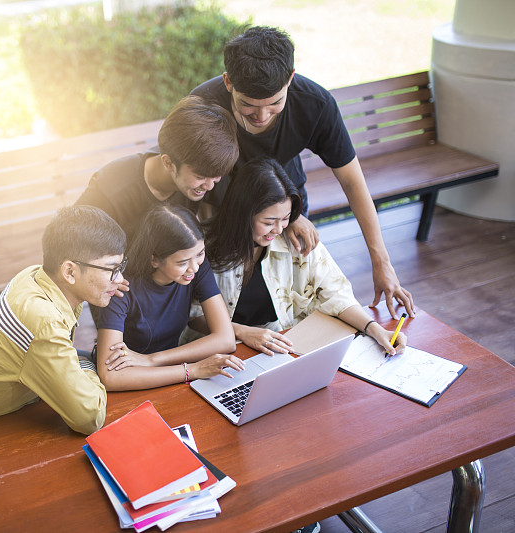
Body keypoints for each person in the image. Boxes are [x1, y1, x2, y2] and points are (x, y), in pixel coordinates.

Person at [190, 25, 415, 319]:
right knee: (227, 307)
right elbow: (184, 186)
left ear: (291, 79)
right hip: (220, 218)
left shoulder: (315, 104)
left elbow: (352, 182)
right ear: (228, 82)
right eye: (248, 106)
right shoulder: (202, 107)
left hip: (285, 210)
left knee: (288, 302)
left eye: (275, 103)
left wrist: (381, 262)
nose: (261, 116)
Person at [186, 158, 406, 358]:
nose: (278, 229)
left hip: (278, 347)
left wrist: (376, 330)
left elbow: (335, 294)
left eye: (286, 218)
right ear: (243, 213)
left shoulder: (294, 239)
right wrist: (243, 332)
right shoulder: (202, 246)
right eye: (269, 221)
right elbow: (192, 314)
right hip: (217, 353)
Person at [0, 205, 127, 434]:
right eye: (112, 269)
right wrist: (87, 364)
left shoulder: (37, 276)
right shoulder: (42, 319)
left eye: (120, 267)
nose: (120, 278)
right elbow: (89, 418)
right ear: (69, 272)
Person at [95, 204, 243, 391]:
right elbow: (111, 376)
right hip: (134, 381)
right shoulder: (121, 288)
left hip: (168, 374)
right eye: (182, 262)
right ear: (155, 259)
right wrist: (192, 370)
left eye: (200, 254)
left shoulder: (196, 268)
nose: (194, 268)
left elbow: (225, 339)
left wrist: (152, 359)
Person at [75, 95, 239, 243]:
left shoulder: (203, 168)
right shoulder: (110, 188)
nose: (210, 186)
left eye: (216, 177)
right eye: (201, 176)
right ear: (168, 163)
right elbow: (71, 240)